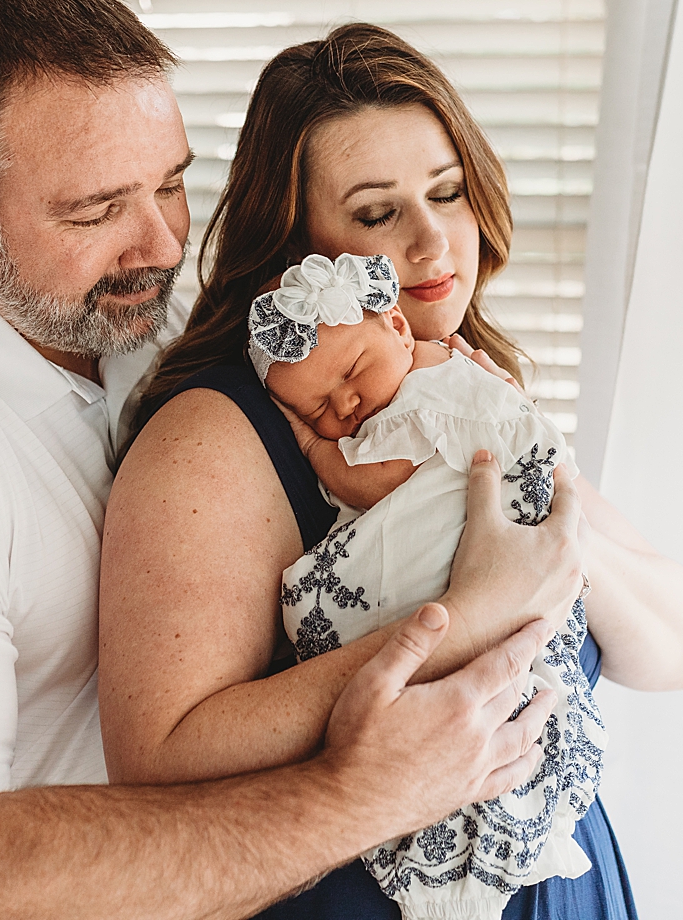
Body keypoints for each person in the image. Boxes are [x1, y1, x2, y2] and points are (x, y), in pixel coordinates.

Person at [0, 0, 578, 920]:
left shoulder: (127, 311)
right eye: (98, 209)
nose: (160, 244)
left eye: (171, 183)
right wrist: (370, 789)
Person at [99, 22, 683, 920]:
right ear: (299, 254)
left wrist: (543, 524)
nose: (435, 245)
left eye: (448, 192)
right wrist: (465, 617)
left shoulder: (464, 385)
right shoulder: (218, 432)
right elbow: (160, 753)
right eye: (378, 213)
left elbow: (682, 652)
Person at [249, 251, 602, 919]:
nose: (346, 406)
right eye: (316, 406)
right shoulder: (438, 370)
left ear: (400, 331)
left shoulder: (435, 397)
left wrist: (311, 442)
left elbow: (365, 482)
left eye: (351, 375)